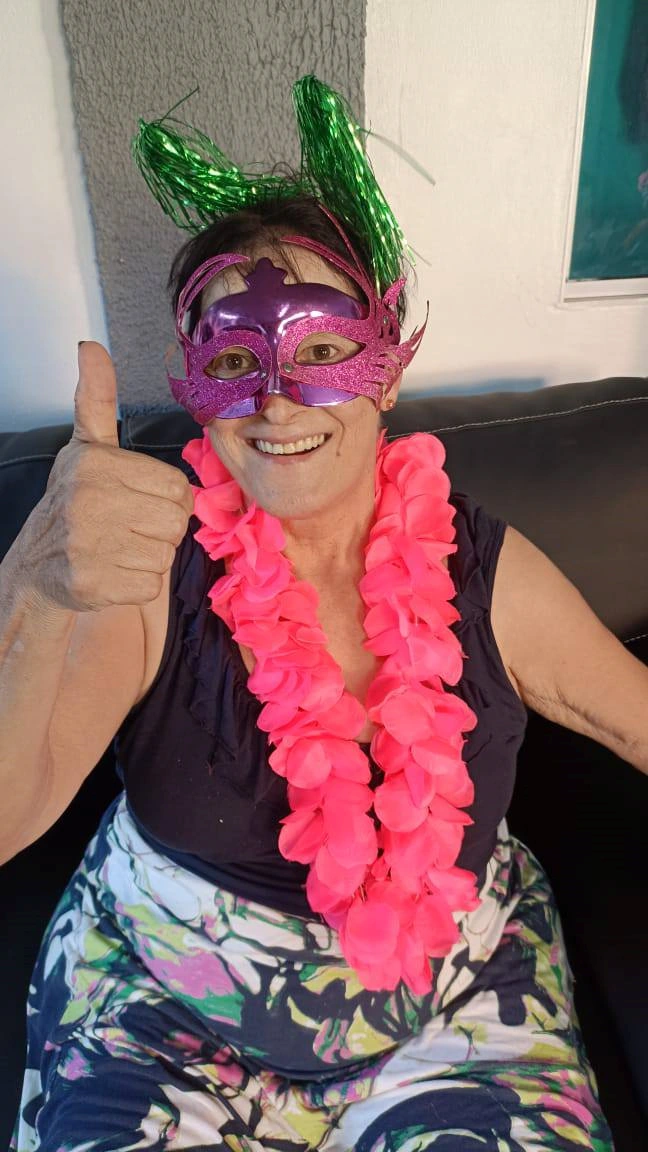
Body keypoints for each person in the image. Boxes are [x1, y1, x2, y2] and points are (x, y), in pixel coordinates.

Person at [3, 76, 646, 1152]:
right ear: (194, 385)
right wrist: (31, 585)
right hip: (165, 1018)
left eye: (320, 351)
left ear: (388, 369)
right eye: (235, 359)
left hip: (450, 1010)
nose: (276, 399)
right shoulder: (147, 567)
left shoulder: (486, 570)